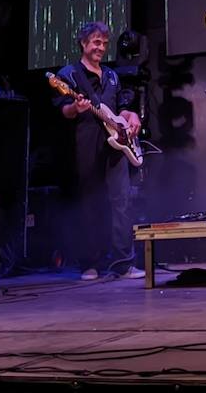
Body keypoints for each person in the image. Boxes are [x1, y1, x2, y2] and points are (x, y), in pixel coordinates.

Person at [53, 22, 144, 281]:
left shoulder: (112, 76)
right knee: (90, 203)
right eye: (96, 42)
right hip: (86, 144)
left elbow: (120, 108)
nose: (101, 48)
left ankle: (124, 264)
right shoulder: (69, 75)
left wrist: (131, 115)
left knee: (122, 202)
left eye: (104, 43)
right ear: (83, 43)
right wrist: (75, 108)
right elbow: (63, 110)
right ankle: (90, 264)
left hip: (116, 145)